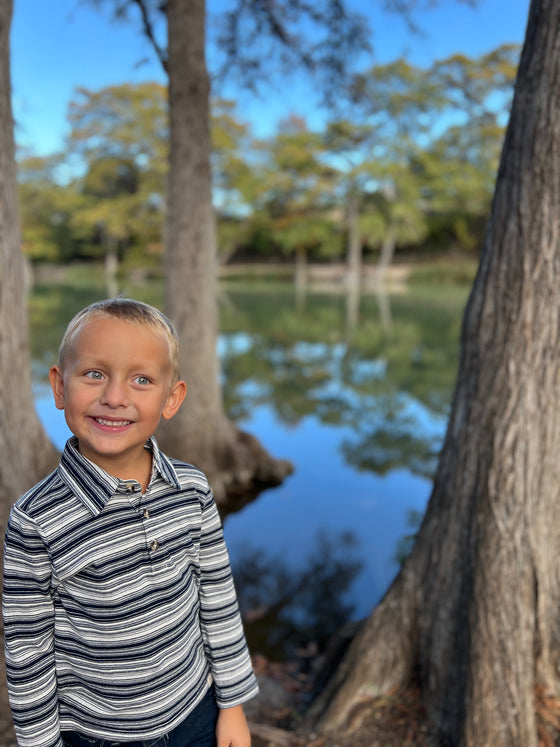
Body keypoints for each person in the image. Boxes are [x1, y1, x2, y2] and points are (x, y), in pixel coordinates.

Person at [3, 298, 258, 747]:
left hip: (195, 714)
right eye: (95, 374)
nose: (115, 397)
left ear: (171, 398)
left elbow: (217, 600)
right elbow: (29, 652)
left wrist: (232, 706)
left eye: (141, 379)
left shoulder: (192, 490)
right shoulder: (36, 519)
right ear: (60, 387)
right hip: (99, 734)